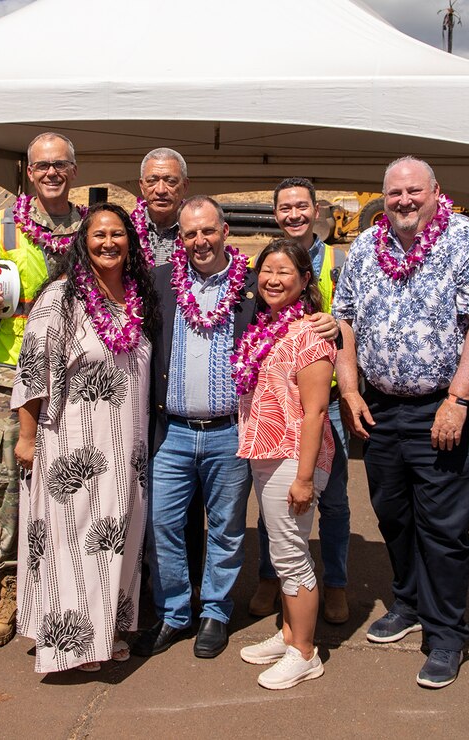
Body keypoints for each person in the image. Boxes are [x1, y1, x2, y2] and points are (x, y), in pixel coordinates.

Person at [333, 156, 469, 689]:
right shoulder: (366, 246)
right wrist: (348, 388)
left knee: (443, 527)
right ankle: (408, 601)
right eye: (393, 194)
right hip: (382, 408)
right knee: (392, 513)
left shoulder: (468, 240)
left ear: (436, 191)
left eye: (413, 191)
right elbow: (343, 316)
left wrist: (457, 398)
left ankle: (447, 634)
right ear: (382, 198)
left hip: (447, 406)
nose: (403, 201)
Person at [136, 197, 336, 661]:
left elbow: (300, 317)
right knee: (162, 524)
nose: (199, 241)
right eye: (189, 234)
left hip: (231, 431)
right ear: (180, 238)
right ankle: (173, 612)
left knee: (226, 529)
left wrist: (335, 325)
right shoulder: (160, 282)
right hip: (174, 430)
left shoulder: (253, 285)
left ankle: (215, 613)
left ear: (225, 230)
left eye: (208, 231)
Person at [0, 132, 86, 648]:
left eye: (60, 165)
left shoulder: (90, 227)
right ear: (28, 171)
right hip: (10, 375)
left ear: (73, 170)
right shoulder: (0, 226)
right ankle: (9, 587)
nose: (51, 173)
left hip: (76, 375)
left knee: (74, 481)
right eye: (41, 165)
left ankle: (68, 587)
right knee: (8, 482)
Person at [11, 203, 157, 672]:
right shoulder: (62, 297)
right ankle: (71, 645)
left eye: (118, 234)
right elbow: (34, 368)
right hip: (74, 444)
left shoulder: (138, 296)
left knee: (118, 539)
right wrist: (27, 438)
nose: (109, 242)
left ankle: (106, 631)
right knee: (74, 542)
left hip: (127, 448)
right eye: (99, 234)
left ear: (132, 242)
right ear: (83, 241)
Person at [236, 238, 336, 689]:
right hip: (267, 453)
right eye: (267, 271)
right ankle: (289, 633)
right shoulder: (269, 326)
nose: (274, 280)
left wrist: (302, 478)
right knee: (280, 549)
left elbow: (315, 411)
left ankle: (305, 652)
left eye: (285, 273)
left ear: (304, 280)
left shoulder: (311, 335)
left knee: (292, 555)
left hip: (294, 457)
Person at [251, 177, 351, 624]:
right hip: (278, 397)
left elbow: (352, 319)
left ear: (316, 210)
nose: (293, 214)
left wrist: (347, 386)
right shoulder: (267, 264)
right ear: (276, 215)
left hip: (318, 396)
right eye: (285, 207)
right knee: (273, 502)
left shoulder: (337, 260)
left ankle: (334, 585)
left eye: (301, 206)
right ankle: (273, 578)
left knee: (329, 501)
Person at [133, 147, 190, 266]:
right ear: (142, 186)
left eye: (170, 181)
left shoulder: (197, 231)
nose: (160, 190)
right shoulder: (127, 230)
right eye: (152, 181)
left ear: (184, 186)